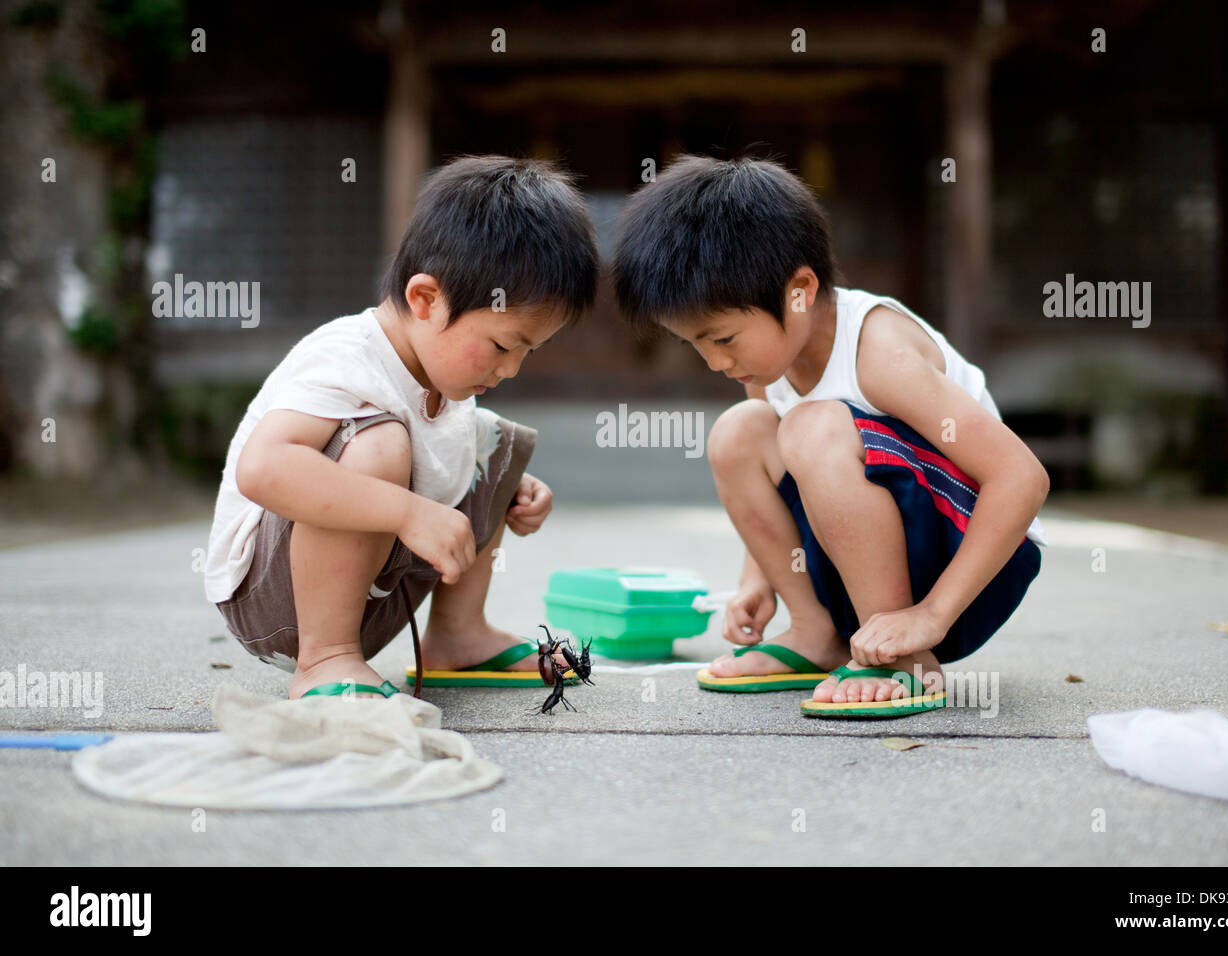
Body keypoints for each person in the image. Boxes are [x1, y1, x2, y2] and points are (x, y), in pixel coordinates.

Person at [612, 155, 1049, 718]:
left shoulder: (880, 352)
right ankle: (816, 633)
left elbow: (1021, 478)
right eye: (694, 344)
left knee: (814, 427)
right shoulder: (770, 371)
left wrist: (932, 616)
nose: (715, 362)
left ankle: (903, 660)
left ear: (799, 291)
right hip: (861, 570)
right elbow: (773, 476)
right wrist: (759, 578)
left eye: (722, 337)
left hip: (975, 566)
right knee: (739, 434)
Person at [205, 156, 598, 699]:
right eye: (504, 345)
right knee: (381, 441)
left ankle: (458, 637)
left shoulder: (439, 373)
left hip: (372, 595)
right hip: (276, 601)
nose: (510, 369)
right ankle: (324, 660)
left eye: (527, 352)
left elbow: (455, 453)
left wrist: (507, 490)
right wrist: (409, 512)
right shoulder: (346, 357)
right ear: (426, 299)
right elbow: (265, 469)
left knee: (493, 441)